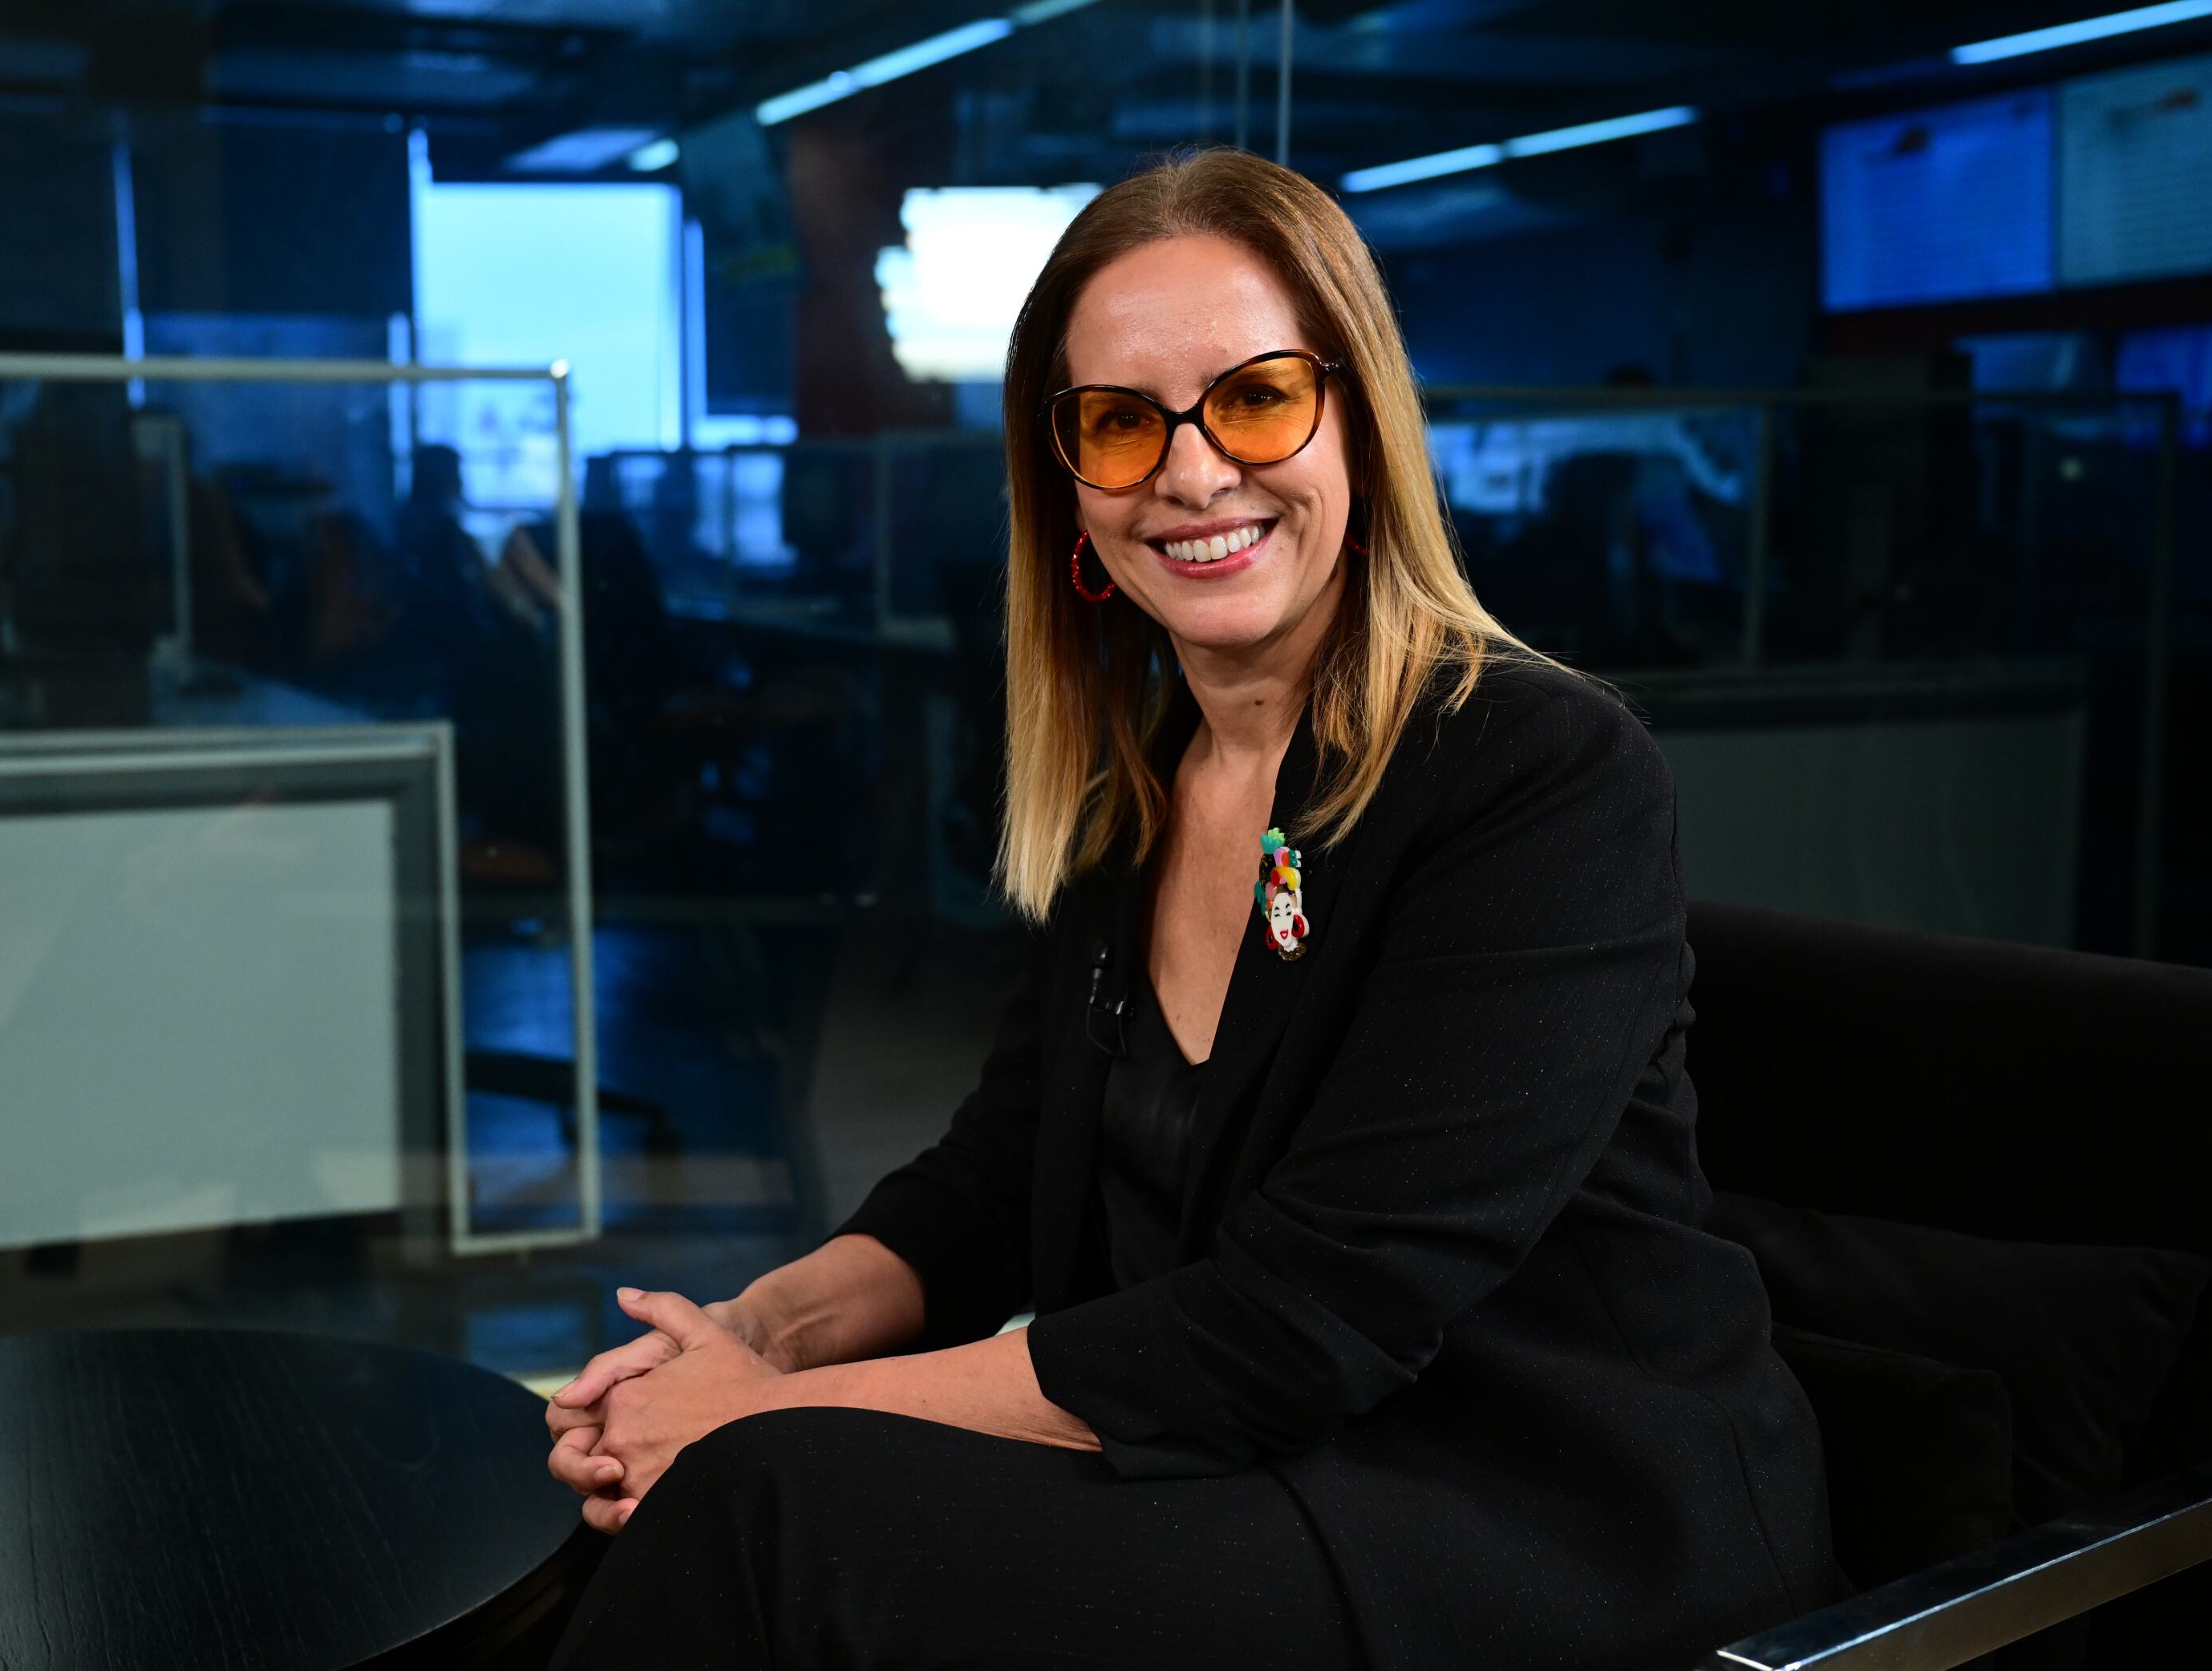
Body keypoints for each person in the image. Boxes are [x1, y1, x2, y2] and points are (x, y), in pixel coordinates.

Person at [541, 148, 1836, 1671]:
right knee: (662, 1513)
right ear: (1067, 482)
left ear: (1361, 421)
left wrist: (763, 1417)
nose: (1195, 472)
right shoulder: (1142, 786)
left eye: (1258, 399)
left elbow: (1305, 1321)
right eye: (1120, 422)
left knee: (770, 1512)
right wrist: (749, 1338)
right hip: (1266, 1462)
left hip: (1541, 1514)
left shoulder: (1540, 775)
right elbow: (995, 1183)